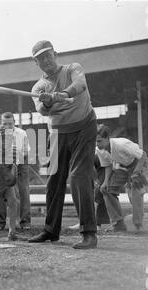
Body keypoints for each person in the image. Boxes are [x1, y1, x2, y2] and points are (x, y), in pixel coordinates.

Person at [28, 40, 98, 249]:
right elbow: (42, 110)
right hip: (58, 132)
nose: (45, 60)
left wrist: (64, 94)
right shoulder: (38, 87)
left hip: (84, 127)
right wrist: (47, 102)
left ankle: (89, 233)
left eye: (47, 55)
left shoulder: (73, 69)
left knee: (78, 177)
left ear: (55, 54)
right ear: (36, 63)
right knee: (54, 180)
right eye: (40, 58)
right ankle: (51, 230)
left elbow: (81, 85)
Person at [96, 125, 148, 232]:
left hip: (138, 163)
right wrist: (105, 182)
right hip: (122, 166)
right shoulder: (99, 150)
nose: (97, 144)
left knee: (135, 192)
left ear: (107, 138)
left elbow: (143, 155)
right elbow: (107, 165)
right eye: (95, 141)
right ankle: (118, 223)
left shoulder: (121, 144)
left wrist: (135, 173)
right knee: (107, 190)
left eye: (99, 141)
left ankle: (138, 224)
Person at [0, 112, 31, 230]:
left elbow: (26, 152)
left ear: (14, 123)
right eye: (5, 124)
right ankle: (0, 222)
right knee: (0, 191)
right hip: (3, 164)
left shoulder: (22, 133)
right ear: (1, 123)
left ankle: (25, 221)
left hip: (20, 163)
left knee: (23, 190)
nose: (7, 126)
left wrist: (15, 157)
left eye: (10, 123)